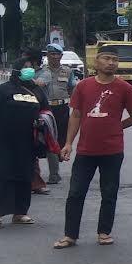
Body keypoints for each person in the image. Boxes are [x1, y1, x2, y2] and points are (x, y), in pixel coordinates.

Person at [54, 48, 132, 248]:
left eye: (115, 60)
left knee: (109, 192)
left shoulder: (124, 88)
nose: (111, 63)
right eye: (107, 58)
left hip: (112, 150)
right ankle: (70, 235)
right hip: (86, 150)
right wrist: (68, 143)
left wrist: (116, 126)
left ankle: (104, 232)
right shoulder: (83, 86)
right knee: (76, 193)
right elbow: (76, 116)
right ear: (96, 62)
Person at [0, 52, 43, 228]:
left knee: (24, 176)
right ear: (16, 70)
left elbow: (45, 113)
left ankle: (20, 212)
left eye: (31, 67)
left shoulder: (36, 90)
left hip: (27, 142)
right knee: (2, 175)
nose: (29, 70)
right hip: (3, 141)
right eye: (25, 67)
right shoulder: (2, 90)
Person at [35, 44, 77, 185]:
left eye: (57, 54)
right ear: (47, 55)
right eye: (51, 54)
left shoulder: (68, 71)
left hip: (62, 108)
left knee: (61, 139)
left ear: (61, 56)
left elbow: (72, 88)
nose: (54, 56)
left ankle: (58, 155)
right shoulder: (41, 72)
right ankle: (54, 174)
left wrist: (76, 106)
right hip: (46, 110)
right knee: (49, 139)